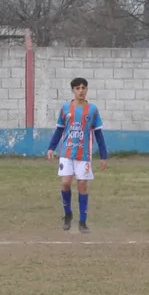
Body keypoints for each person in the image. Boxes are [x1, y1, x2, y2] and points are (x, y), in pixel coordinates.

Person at [45, 77, 108, 233]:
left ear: (86, 90)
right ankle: (67, 215)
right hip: (66, 152)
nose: (81, 91)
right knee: (65, 183)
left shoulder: (92, 110)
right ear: (73, 90)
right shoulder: (65, 108)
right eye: (78, 88)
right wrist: (51, 147)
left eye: (83, 88)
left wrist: (103, 155)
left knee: (82, 185)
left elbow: (99, 134)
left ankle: (82, 222)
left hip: (84, 155)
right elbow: (59, 129)